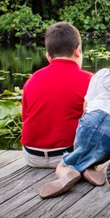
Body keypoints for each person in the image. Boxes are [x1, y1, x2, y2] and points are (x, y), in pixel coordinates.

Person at [38, 28, 110, 198]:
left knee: (65, 163)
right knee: (98, 155)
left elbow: (86, 106)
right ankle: (93, 168)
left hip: (90, 123)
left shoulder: (103, 75)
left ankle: (68, 173)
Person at [20, 22, 93, 168]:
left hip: (32, 156)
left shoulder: (32, 79)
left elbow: (25, 118)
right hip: (68, 155)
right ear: (78, 50)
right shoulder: (90, 80)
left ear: (48, 56)